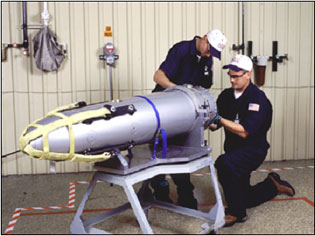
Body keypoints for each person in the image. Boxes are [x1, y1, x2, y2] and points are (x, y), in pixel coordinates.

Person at [209, 54, 295, 227]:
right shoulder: (226, 96)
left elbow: (244, 132)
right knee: (245, 197)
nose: (232, 80)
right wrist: (204, 118)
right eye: (230, 76)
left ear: (248, 74)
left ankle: (236, 214)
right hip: (234, 150)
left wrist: (218, 119)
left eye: (236, 76)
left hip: (253, 151)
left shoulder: (257, 99)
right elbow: (214, 125)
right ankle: (272, 184)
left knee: (224, 164)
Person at [151, 29, 227, 209]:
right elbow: (158, 76)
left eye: (213, 54)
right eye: (209, 50)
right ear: (205, 39)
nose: (210, 55)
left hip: (185, 110)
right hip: (165, 106)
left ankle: (185, 193)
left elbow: (203, 88)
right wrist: (179, 91)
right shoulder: (181, 50)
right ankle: (160, 191)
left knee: (181, 151)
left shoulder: (207, 59)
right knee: (159, 150)